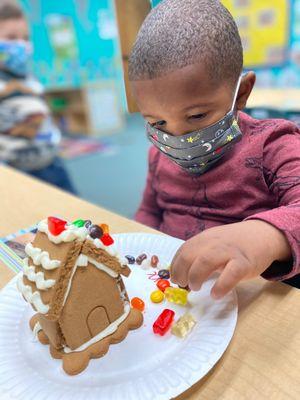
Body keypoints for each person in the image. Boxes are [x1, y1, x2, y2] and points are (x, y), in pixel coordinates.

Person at [128, 0, 300, 297]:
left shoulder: (274, 145)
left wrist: (263, 236)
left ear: (242, 93)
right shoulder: (159, 154)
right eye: (157, 122)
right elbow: (149, 211)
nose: (178, 136)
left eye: (196, 116)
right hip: (180, 298)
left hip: (250, 298)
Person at [0, 1, 75, 193]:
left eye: (26, 38)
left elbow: (41, 113)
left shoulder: (27, 76)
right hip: (16, 173)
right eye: (11, 37)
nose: (21, 44)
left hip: (51, 163)